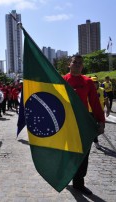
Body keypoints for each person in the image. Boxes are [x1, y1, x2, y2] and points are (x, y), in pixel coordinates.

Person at [63, 55, 105, 195]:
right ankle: (64, 176)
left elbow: (95, 103)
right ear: (69, 64)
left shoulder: (87, 82)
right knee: (67, 152)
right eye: (75, 62)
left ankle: (78, 183)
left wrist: (101, 121)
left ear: (82, 67)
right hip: (66, 123)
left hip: (83, 124)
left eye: (80, 63)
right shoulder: (62, 81)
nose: (77, 64)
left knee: (83, 154)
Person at [90, 77, 110, 149]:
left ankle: (93, 138)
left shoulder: (102, 90)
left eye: (95, 82)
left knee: (101, 128)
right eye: (93, 82)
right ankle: (95, 141)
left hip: (100, 112)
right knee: (95, 128)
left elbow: (106, 100)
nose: (94, 84)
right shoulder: (88, 90)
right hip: (90, 112)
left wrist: (108, 109)